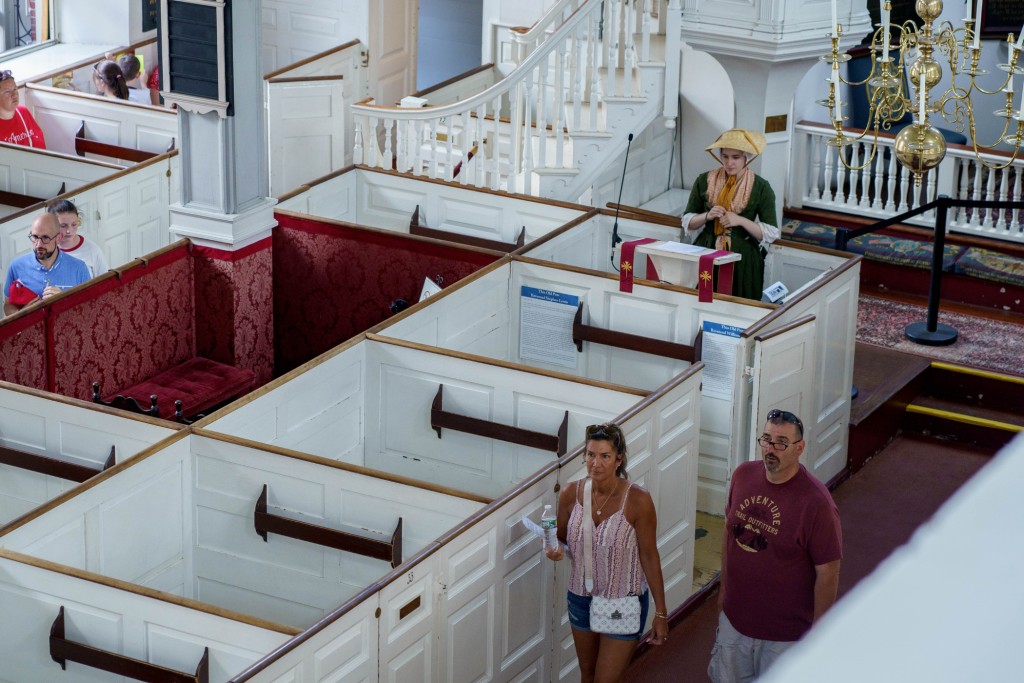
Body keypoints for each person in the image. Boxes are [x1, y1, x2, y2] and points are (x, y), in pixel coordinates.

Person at [708, 410, 843, 683]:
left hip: (786, 638)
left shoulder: (817, 504)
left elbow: (828, 573)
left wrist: (819, 634)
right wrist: (724, 591)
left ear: (800, 448)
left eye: (781, 442)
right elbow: (729, 531)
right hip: (735, 622)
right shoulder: (743, 475)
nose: (771, 449)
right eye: (766, 439)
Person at [546, 423, 669, 683]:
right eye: (591, 454)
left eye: (605, 456)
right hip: (580, 596)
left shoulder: (638, 500)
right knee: (588, 675)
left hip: (622, 602)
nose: (596, 463)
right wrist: (556, 550)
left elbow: (649, 555)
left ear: (618, 460)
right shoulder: (570, 493)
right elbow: (561, 538)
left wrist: (661, 612)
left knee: (606, 680)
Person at [681, 129, 779, 300]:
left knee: (737, 304)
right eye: (725, 156)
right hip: (706, 250)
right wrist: (707, 216)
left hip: (743, 258)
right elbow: (688, 221)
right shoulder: (704, 180)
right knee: (700, 300)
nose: (729, 163)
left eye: (735, 157)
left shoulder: (761, 187)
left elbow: (771, 232)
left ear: (746, 158)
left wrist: (740, 220)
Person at [4, 213, 92, 315]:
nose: (39, 244)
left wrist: (64, 301)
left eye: (46, 238)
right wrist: (23, 313)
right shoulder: (16, 266)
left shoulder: (79, 268)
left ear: (58, 239)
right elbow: (7, 306)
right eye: (35, 237)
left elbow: (89, 309)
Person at [48, 200, 109, 278]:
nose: (69, 231)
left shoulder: (93, 250)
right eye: (63, 226)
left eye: (74, 224)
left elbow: (106, 283)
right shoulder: (46, 249)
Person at [0, 71, 46, 148]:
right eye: (7, 92)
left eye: (15, 89)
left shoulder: (23, 112)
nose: (14, 95)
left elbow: (40, 146)